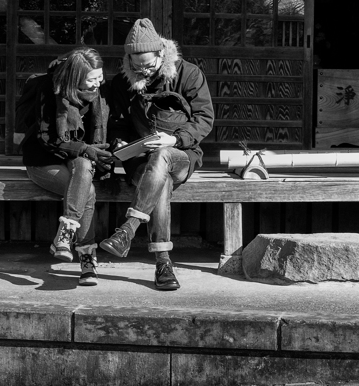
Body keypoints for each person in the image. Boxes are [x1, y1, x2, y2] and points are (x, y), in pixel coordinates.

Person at [101, 18, 214, 291]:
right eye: (136, 66)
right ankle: (163, 263)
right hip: (142, 158)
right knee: (159, 181)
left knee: (163, 155)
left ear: (161, 54)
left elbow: (204, 117)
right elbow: (117, 123)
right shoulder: (122, 83)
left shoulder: (189, 74)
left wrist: (174, 139)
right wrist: (120, 143)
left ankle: (128, 228)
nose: (144, 71)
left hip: (182, 154)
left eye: (149, 65)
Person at [19, 48, 114, 286]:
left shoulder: (98, 94)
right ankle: (87, 259)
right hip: (44, 160)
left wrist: (103, 149)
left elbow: (92, 140)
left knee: (83, 165)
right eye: (91, 79)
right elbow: (47, 139)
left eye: (99, 77)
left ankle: (65, 234)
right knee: (88, 192)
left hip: (79, 162)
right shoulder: (48, 89)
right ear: (74, 78)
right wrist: (84, 149)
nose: (97, 83)